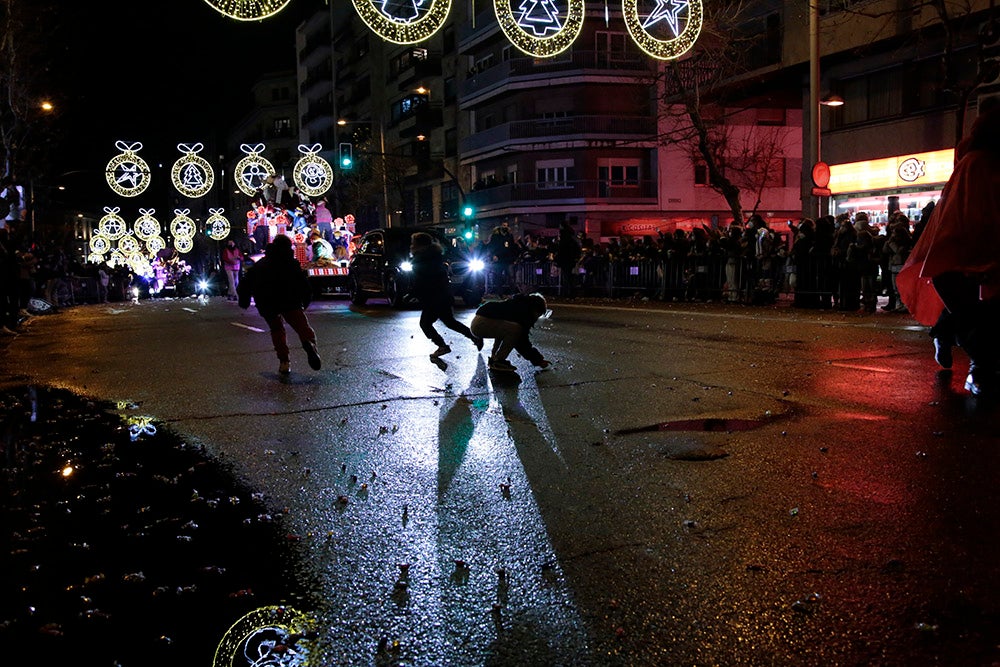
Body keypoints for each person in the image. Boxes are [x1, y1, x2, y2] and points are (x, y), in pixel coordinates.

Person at [896, 102, 1000, 394]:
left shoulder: (974, 164)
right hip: (970, 253)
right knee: (975, 310)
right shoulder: (977, 164)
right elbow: (967, 214)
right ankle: (981, 364)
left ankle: (969, 354)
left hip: (967, 252)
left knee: (973, 309)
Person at [237, 234, 321, 375]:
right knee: (302, 327)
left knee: (277, 331)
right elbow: (302, 283)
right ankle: (309, 343)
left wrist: (244, 299)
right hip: (290, 301)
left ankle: (284, 362)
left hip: (267, 303)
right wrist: (306, 299)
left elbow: (247, 281)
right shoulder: (291, 263)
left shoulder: (262, 263)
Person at [409, 231, 483, 359]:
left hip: (432, 298)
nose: (411, 246)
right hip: (442, 296)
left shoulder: (421, 260)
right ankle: (474, 337)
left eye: (413, 243)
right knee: (450, 322)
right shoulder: (434, 257)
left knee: (425, 324)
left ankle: (442, 346)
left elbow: (422, 281)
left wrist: (412, 294)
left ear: (420, 245)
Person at [470, 292, 551, 373]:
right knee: (516, 329)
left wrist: (494, 353)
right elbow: (522, 341)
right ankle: (498, 361)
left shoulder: (518, 305)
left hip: (478, 323)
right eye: (538, 315)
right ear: (535, 309)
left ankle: (496, 359)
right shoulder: (523, 312)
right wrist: (538, 360)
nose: (536, 318)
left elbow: (501, 331)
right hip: (481, 324)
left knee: (509, 329)